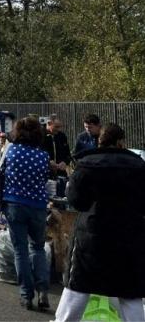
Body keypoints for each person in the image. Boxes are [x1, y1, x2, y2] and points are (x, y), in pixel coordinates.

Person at [54, 124, 145, 321]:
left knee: (76, 291)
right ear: (121, 142)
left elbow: (76, 201)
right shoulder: (139, 166)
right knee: (130, 295)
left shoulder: (87, 164)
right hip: (129, 236)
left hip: (91, 236)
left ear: (100, 141)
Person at [2, 117, 50, 311]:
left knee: (20, 250)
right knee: (38, 248)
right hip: (38, 205)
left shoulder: (11, 151)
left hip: (15, 203)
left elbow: (1, 172)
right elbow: (46, 177)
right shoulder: (43, 155)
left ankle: (26, 294)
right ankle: (43, 289)